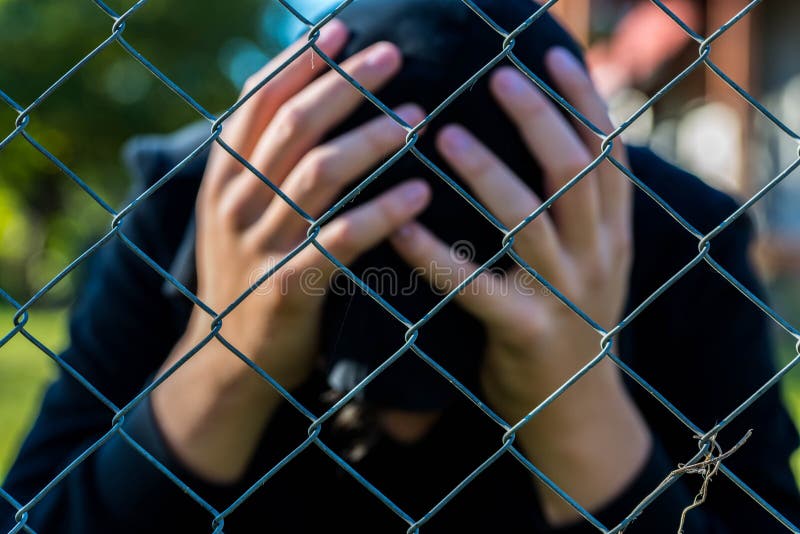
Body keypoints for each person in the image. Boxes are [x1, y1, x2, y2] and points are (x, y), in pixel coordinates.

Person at [2, 0, 799, 532]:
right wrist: (226, 361)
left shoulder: (680, 241)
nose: (408, 420)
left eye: (471, 330)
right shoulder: (194, 207)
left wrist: (579, 409)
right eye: (349, 290)